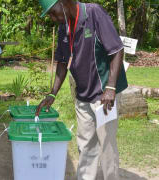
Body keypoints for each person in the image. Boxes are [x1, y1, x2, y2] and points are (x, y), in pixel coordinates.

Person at [36, 1, 128, 180]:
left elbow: (117, 50)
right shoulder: (64, 27)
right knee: (86, 146)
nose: (53, 18)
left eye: (53, 13)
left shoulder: (94, 13)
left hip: (104, 96)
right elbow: (62, 62)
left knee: (107, 147)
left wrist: (110, 88)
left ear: (63, 3)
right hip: (83, 95)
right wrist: (52, 93)